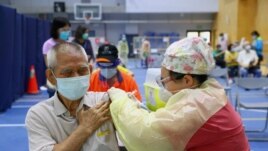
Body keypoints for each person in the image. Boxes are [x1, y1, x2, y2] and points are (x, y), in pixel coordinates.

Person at [108, 37, 250, 151]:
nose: (162, 86)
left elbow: (143, 133)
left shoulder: (196, 106)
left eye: (164, 81)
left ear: (187, 80)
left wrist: (120, 99)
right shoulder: (210, 92)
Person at [25, 42, 119, 151]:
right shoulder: (39, 115)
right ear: (51, 77)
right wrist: (84, 128)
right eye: (67, 72)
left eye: (82, 70)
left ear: (90, 70)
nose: (76, 77)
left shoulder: (105, 102)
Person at [42, 17, 71, 97]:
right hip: (54, 80)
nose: (66, 32)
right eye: (64, 30)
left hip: (68, 81)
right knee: (54, 104)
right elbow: (48, 64)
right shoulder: (48, 44)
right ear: (56, 29)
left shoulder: (69, 44)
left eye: (68, 30)